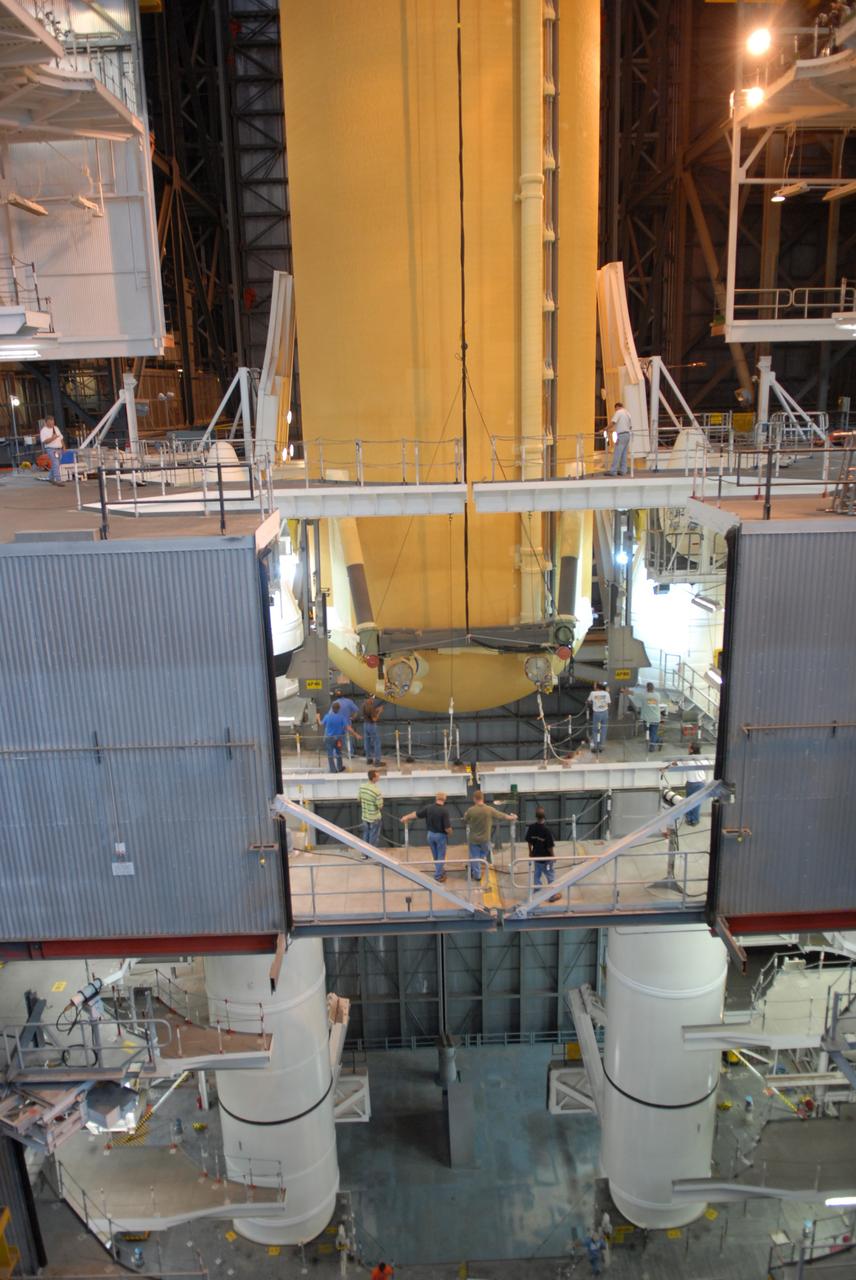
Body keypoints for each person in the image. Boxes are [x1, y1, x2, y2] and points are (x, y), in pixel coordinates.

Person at [463, 790, 517, 883]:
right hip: (485, 839)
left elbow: (465, 819)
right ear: (482, 798)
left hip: (473, 839)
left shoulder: (471, 810)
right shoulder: (489, 809)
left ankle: (477, 875)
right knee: (484, 853)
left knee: (475, 857)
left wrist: (466, 815)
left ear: (474, 799)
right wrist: (513, 817)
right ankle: (475, 864)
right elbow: (502, 816)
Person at [402, 791, 453, 883]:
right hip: (440, 836)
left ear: (436, 798)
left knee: (435, 855)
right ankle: (438, 876)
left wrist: (406, 817)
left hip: (430, 835)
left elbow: (416, 814)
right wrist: (450, 833)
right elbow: (447, 828)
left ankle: (439, 870)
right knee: (441, 856)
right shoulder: (444, 811)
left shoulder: (428, 808)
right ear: (444, 799)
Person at [525, 808, 561, 902]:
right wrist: (553, 856)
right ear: (544, 816)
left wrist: (530, 852)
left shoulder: (532, 828)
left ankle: (537, 893)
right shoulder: (546, 830)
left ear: (536, 816)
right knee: (550, 875)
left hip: (536, 857)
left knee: (537, 875)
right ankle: (552, 895)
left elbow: (529, 841)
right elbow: (549, 847)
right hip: (546, 859)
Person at [319, 700, 357, 774]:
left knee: (330, 754)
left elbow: (321, 723)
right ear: (339, 709)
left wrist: (318, 717)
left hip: (329, 738)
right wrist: (355, 734)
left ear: (332, 708)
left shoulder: (327, 716)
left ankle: (333, 770)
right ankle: (339, 767)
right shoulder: (341, 717)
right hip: (338, 738)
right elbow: (348, 727)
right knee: (339, 752)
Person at [358, 769, 384, 846]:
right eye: (378, 776)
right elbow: (380, 806)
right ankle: (372, 851)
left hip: (365, 816)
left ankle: (364, 851)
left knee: (365, 834)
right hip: (374, 818)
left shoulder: (362, 787)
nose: (379, 777)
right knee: (374, 837)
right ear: (374, 778)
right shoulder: (376, 791)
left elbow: (358, 799)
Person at [606, 401, 632, 476]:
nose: (615, 410)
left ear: (617, 407)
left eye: (615, 409)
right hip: (627, 434)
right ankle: (623, 470)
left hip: (621, 435)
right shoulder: (627, 413)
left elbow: (613, 422)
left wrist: (605, 429)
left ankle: (613, 471)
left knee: (617, 453)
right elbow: (630, 426)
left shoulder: (618, 412)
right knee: (624, 453)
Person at [684, 740, 706, 826]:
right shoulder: (702, 759)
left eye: (689, 747)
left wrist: (665, 768)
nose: (687, 748)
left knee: (690, 802)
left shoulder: (687, 759)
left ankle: (692, 818)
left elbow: (676, 763)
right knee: (696, 802)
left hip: (692, 784)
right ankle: (692, 819)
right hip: (700, 783)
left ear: (692, 750)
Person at [39, 416, 65, 485]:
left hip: (59, 449)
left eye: (53, 422)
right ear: (46, 422)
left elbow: (61, 438)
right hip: (51, 449)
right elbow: (44, 441)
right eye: (50, 422)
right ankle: (58, 480)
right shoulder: (43, 431)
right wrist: (52, 438)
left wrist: (64, 447)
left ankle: (50, 477)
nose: (52, 424)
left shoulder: (56, 428)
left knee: (56, 464)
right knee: (56, 463)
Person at [586, 683, 611, 753]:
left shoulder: (593, 693)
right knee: (604, 729)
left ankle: (595, 746)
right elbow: (609, 703)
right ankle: (601, 746)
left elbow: (588, 701)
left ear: (597, 687)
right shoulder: (606, 693)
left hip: (596, 713)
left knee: (595, 730)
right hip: (605, 712)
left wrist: (594, 703)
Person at [638, 681, 662, 752]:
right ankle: (658, 740)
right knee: (652, 733)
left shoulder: (644, 695)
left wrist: (625, 691)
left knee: (649, 733)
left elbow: (634, 694)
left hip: (647, 718)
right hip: (655, 718)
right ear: (653, 688)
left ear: (646, 688)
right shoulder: (657, 695)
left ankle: (652, 747)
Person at [362, 696, 384, 766]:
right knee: (377, 743)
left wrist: (376, 709)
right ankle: (377, 761)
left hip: (365, 725)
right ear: (369, 699)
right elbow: (374, 719)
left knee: (367, 742)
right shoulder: (371, 707)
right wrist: (379, 712)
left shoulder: (364, 705)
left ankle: (369, 759)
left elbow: (370, 713)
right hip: (372, 726)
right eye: (371, 699)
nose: (373, 700)